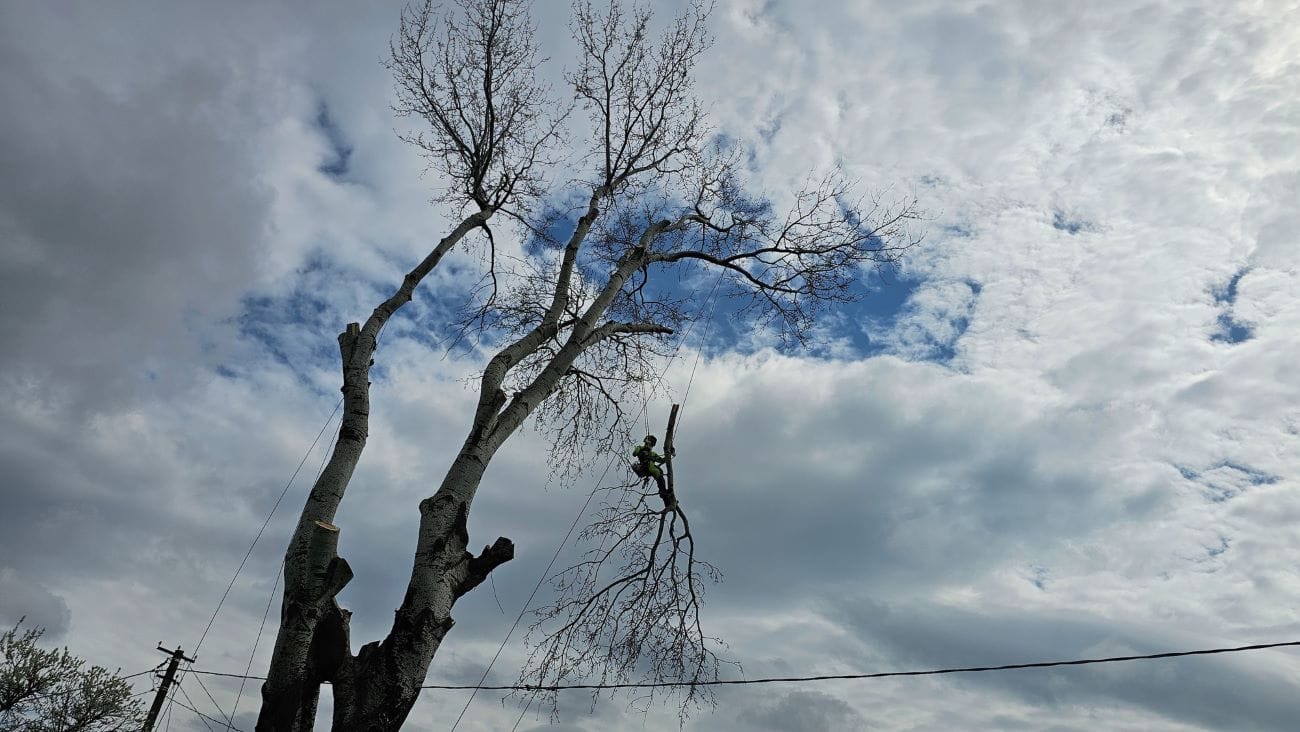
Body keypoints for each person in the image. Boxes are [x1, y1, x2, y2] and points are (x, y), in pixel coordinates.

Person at [632, 434, 675, 507]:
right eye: (649, 443)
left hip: (653, 470)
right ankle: (664, 494)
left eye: (651, 444)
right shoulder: (640, 448)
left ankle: (666, 500)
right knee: (658, 475)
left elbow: (661, 461)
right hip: (645, 467)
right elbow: (634, 453)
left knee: (661, 478)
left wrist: (669, 454)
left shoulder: (653, 454)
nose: (649, 445)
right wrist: (643, 446)